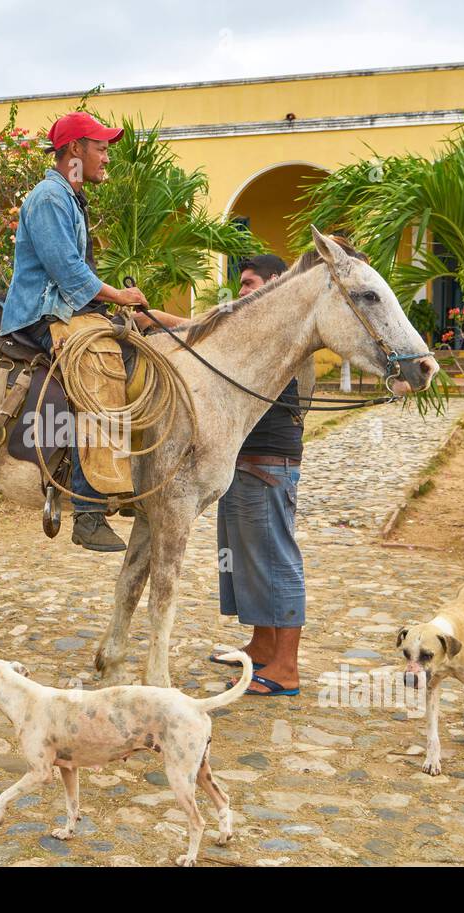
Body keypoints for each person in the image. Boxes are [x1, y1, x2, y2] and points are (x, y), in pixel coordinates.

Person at [0, 111, 160, 553]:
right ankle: (88, 509)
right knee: (100, 365)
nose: (106, 157)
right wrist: (119, 297)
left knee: (137, 350)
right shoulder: (50, 198)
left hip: (70, 308)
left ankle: (124, 480)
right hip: (42, 314)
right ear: (75, 150)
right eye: (101, 148)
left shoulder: (70, 196)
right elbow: (68, 273)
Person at [209, 253, 307, 696]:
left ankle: (286, 668)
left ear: (276, 283)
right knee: (246, 561)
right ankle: (263, 646)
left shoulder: (278, 327)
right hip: (243, 461)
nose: (242, 291)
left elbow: (206, 331)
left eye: (249, 283)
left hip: (268, 462)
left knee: (276, 561)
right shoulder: (260, 326)